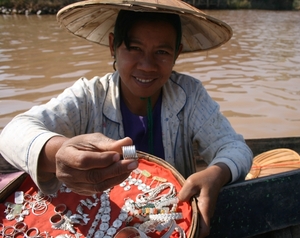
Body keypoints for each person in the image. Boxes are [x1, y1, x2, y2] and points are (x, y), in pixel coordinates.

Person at [0, 0, 253, 237]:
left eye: (162, 52)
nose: (146, 65)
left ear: (177, 53)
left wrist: (217, 173)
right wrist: (57, 153)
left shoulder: (190, 96)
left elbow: (234, 147)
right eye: (134, 48)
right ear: (113, 46)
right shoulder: (90, 97)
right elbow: (12, 133)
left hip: (170, 225)